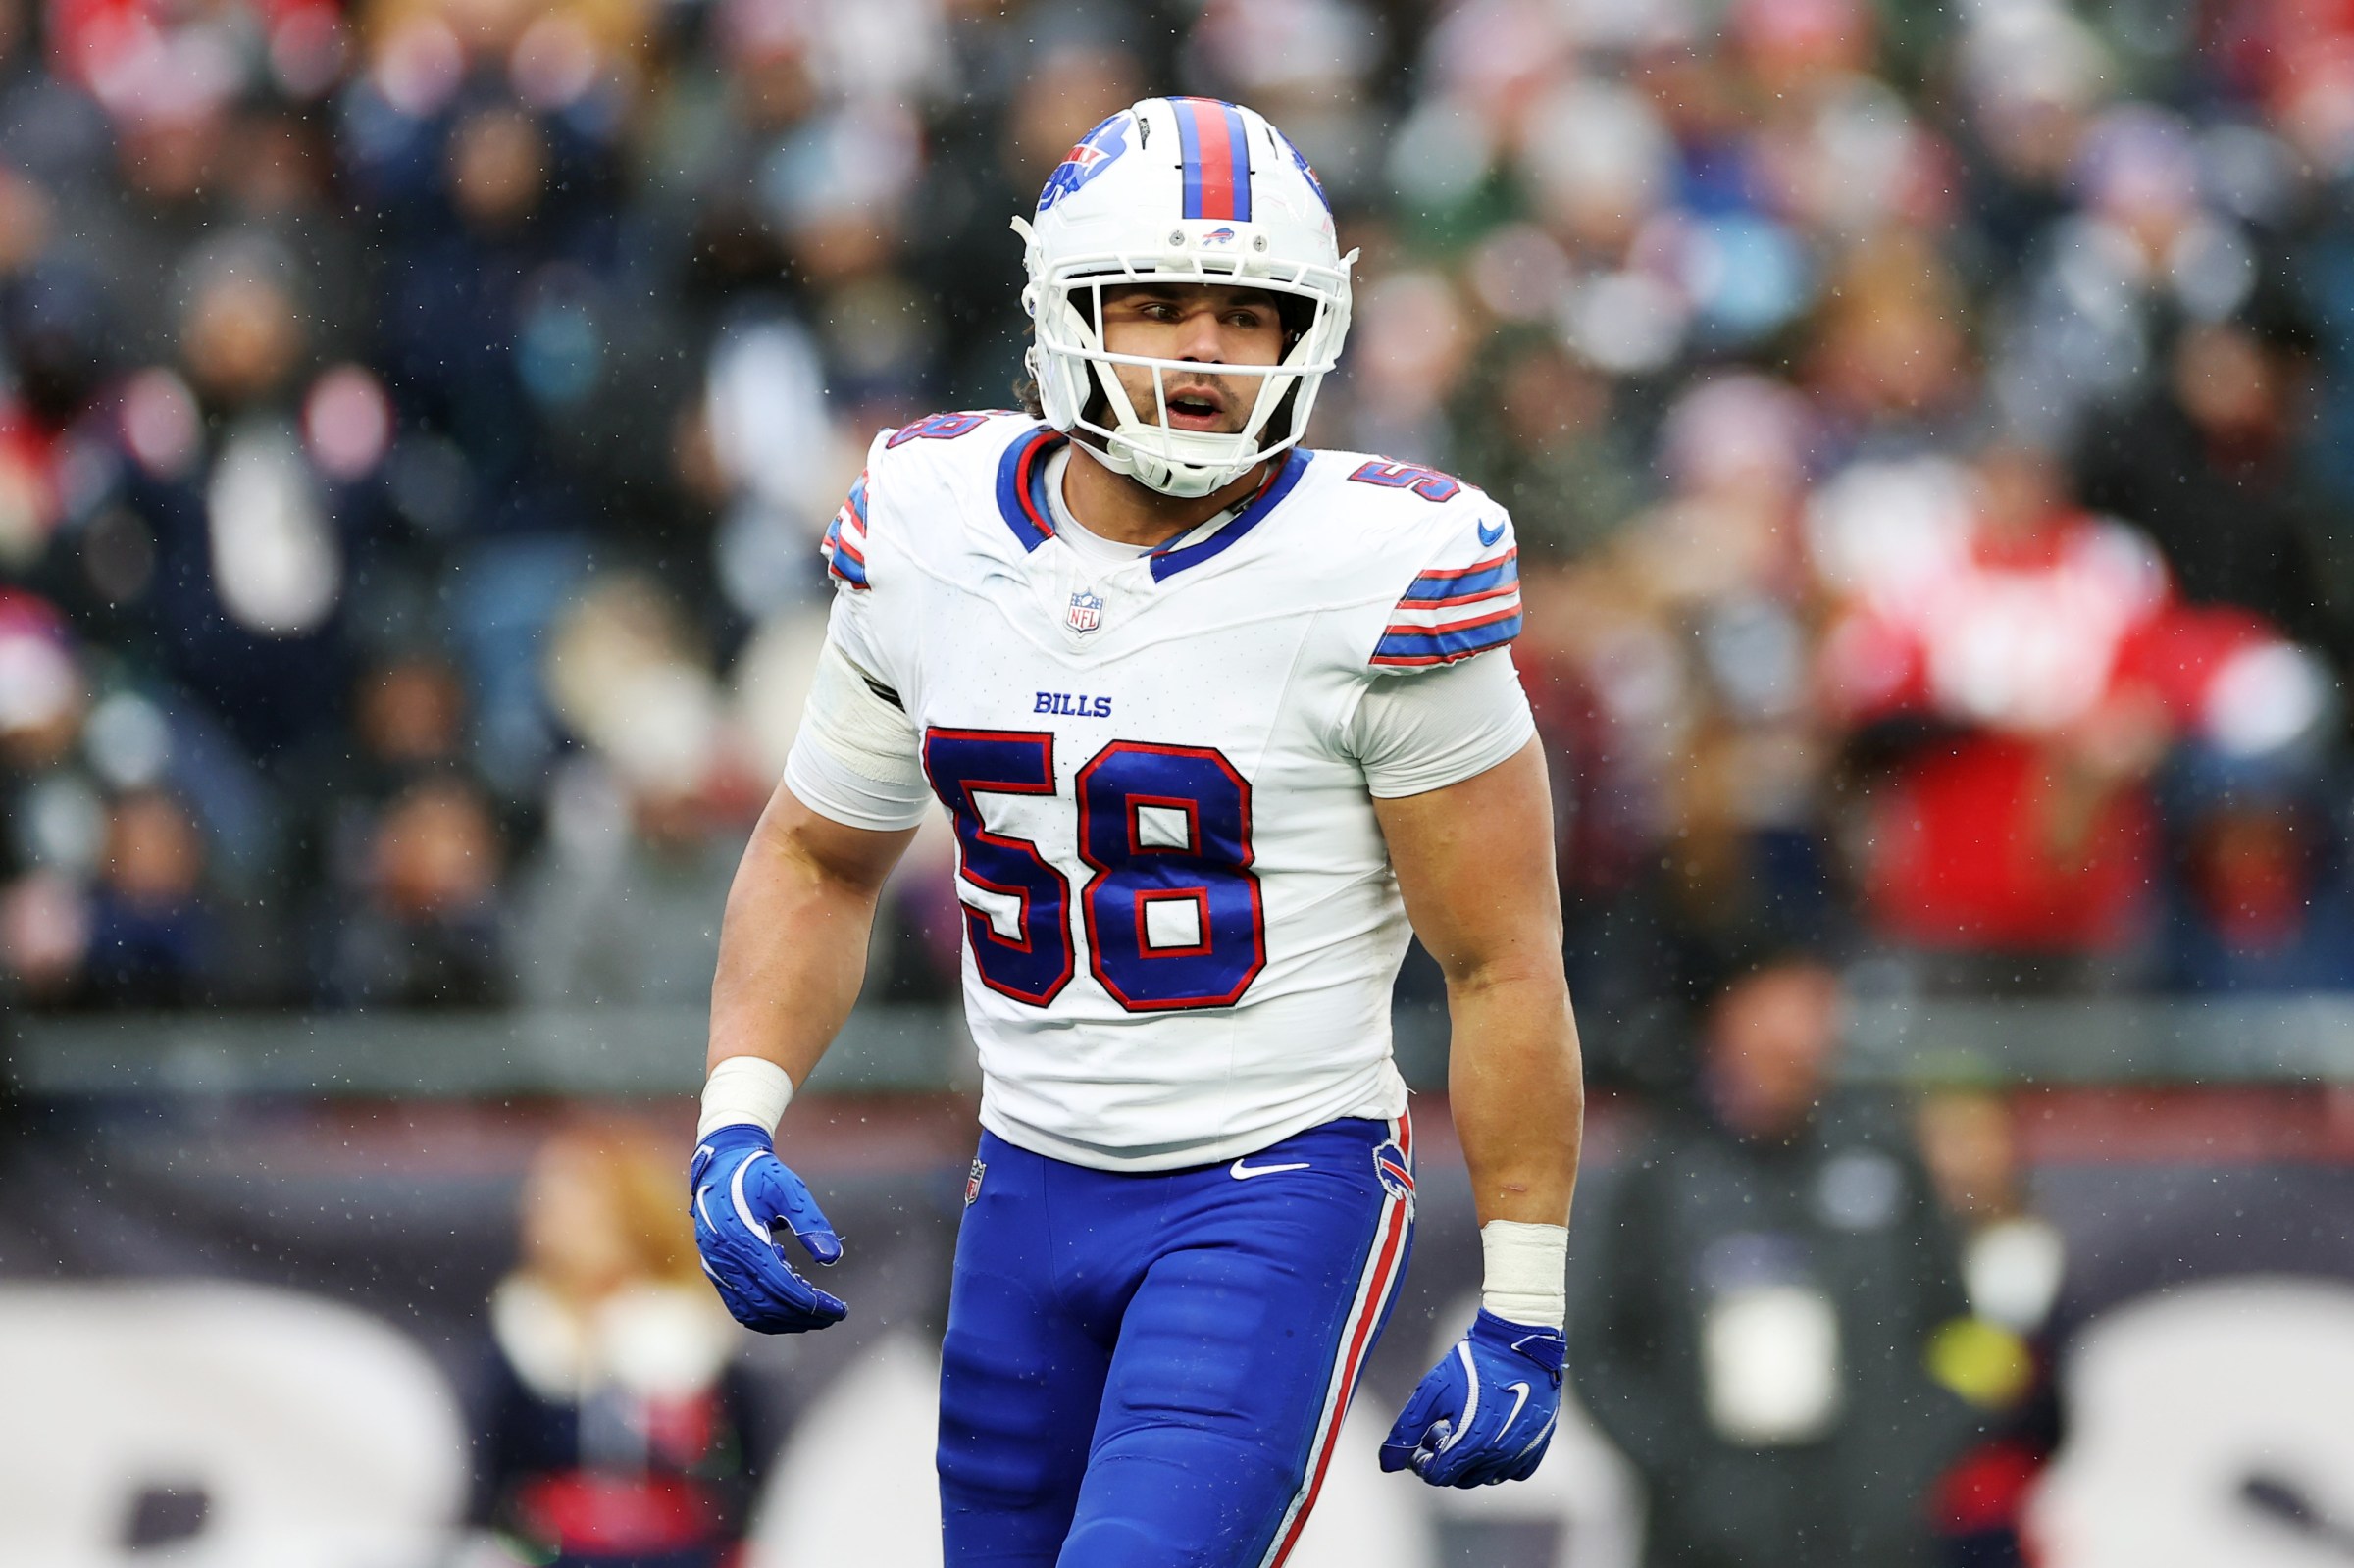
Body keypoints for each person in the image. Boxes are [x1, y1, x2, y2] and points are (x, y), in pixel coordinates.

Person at [686, 96, 1585, 1565]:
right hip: (1025, 1180)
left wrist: (1525, 1298)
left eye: (1248, 313)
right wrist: (737, 1113)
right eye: (1159, 304)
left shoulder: (1383, 568)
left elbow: (1500, 960)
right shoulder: (931, 525)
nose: (1204, 350)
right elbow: (817, 856)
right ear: (1062, 309)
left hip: (1272, 1185)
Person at [1570, 951, 1976, 1568]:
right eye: (1783, 1015)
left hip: (1870, 1536)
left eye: (1819, 1012)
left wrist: (1908, 1463)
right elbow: (1599, 1351)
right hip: (1706, 1541)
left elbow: (1963, 1334)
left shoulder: (1884, 1159)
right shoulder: (1660, 1172)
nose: (1804, 1038)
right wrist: (1684, 1473)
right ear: (1725, 1021)